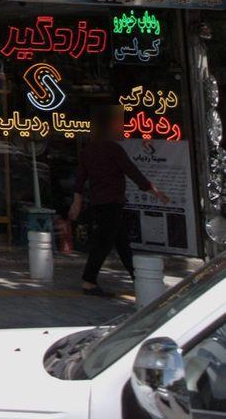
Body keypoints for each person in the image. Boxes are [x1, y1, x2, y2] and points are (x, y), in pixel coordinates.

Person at [69, 104, 167, 297]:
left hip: (100, 202)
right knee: (104, 243)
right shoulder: (113, 149)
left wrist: (76, 202)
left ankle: (137, 277)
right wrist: (154, 191)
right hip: (112, 201)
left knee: (121, 243)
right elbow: (132, 171)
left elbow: (80, 179)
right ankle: (89, 281)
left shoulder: (88, 150)